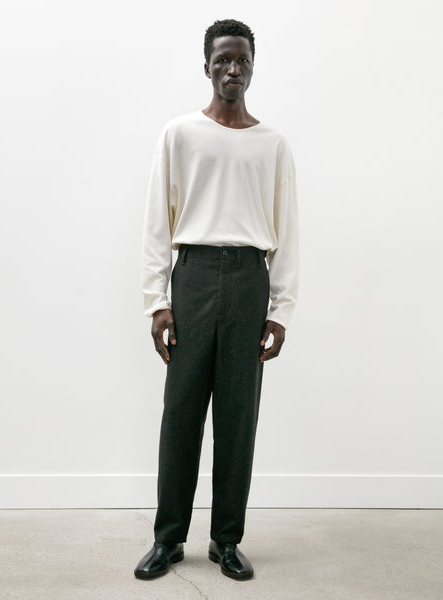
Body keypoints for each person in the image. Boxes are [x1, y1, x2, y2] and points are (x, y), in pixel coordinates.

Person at [134, 18, 299, 581]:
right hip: (194, 276)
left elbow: (287, 229)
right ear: (206, 65)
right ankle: (168, 538)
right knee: (181, 413)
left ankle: (226, 540)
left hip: (251, 278)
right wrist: (157, 301)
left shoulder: (273, 144)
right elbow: (157, 221)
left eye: (242, 59)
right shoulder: (179, 134)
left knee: (237, 418)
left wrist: (280, 310)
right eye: (223, 58)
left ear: (253, 67)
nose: (233, 68)